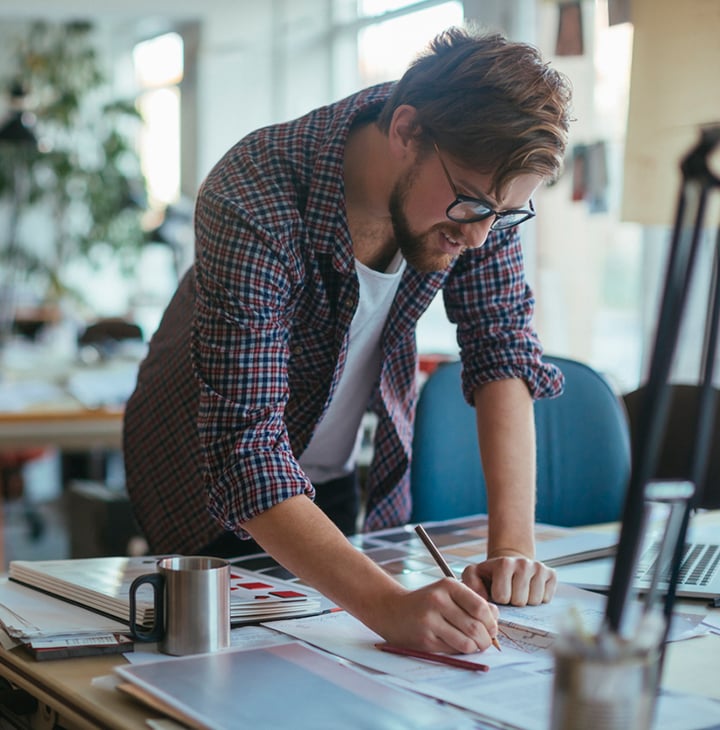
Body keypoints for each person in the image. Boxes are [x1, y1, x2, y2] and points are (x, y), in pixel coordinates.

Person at [124, 25, 573, 655]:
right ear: (406, 131)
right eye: (473, 208)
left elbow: (501, 349)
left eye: (504, 215)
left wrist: (513, 550)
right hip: (205, 484)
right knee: (234, 680)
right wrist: (387, 605)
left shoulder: (476, 192)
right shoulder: (254, 193)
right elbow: (244, 450)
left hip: (325, 481)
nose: (480, 238)